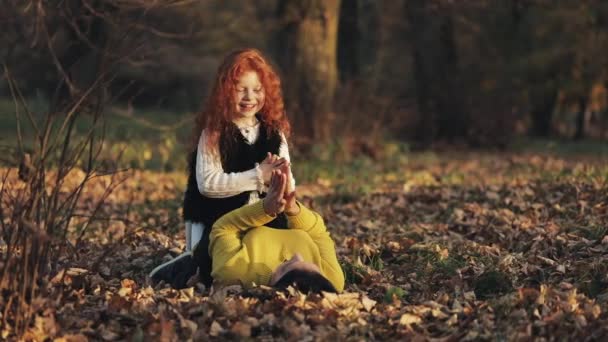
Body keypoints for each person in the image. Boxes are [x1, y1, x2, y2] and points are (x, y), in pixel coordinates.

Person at [149, 48, 295, 288]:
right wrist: (259, 175)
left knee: (280, 253)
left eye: (257, 90)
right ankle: (189, 265)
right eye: (241, 89)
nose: (250, 97)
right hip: (221, 221)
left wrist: (281, 182)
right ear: (225, 91)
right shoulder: (213, 134)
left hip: (264, 218)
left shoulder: (274, 133)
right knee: (219, 270)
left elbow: (289, 181)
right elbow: (208, 184)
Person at [202, 167, 344, 293]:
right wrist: (292, 208)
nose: (296, 256)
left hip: (239, 215)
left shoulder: (234, 273)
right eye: (312, 265)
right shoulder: (331, 281)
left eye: (286, 265)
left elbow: (223, 228)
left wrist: (265, 209)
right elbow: (318, 232)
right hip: (286, 215)